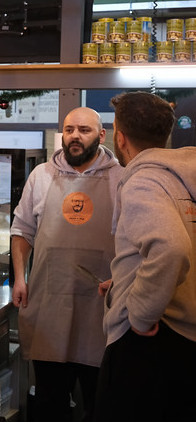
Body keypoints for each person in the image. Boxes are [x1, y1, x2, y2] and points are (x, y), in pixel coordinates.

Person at [11, 107, 123, 422]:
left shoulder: (121, 178)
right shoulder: (41, 175)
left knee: (100, 406)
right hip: (50, 305)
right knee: (49, 403)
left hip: (101, 310)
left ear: (102, 135)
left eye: (84, 130)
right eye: (70, 129)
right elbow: (22, 231)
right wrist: (20, 278)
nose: (75, 136)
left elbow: (133, 241)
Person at [94, 92, 196, 422]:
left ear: (120, 138)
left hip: (150, 343)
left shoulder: (144, 180)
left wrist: (140, 312)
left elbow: (171, 248)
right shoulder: (183, 177)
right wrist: (126, 281)